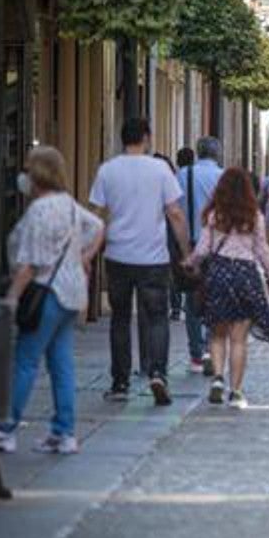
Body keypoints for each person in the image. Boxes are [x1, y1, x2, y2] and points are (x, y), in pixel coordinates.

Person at [0, 146, 104, 454]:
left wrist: (12, 297)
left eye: (28, 169)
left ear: (38, 174)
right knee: (61, 363)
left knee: (26, 361)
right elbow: (97, 227)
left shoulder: (40, 211)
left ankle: (5, 428)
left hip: (46, 293)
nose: (24, 176)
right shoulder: (68, 205)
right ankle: (64, 432)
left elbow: (31, 263)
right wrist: (84, 257)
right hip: (71, 293)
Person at [90, 117, 191, 406]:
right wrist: (185, 252)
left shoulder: (108, 170)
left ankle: (120, 382)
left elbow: (96, 212)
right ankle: (158, 373)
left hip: (118, 255)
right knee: (157, 316)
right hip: (153, 258)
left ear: (123, 138)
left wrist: (87, 249)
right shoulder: (160, 170)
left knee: (120, 319)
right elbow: (175, 213)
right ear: (146, 138)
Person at [185, 168, 269, 409]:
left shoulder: (214, 216)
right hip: (245, 277)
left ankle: (218, 378)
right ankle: (236, 391)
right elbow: (262, 251)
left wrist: (190, 262)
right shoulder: (254, 216)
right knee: (239, 340)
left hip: (218, 275)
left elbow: (203, 249)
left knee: (217, 335)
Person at [176, 137, 225, 376]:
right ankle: (209, 348)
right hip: (217, 245)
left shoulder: (183, 175)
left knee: (192, 299)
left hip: (192, 244)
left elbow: (174, 209)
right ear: (217, 154)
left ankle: (196, 354)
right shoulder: (223, 177)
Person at [168, 150, 190, 322]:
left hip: (176, 230)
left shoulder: (176, 178)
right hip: (195, 231)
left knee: (175, 269)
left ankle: (176, 307)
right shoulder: (194, 176)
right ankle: (190, 304)